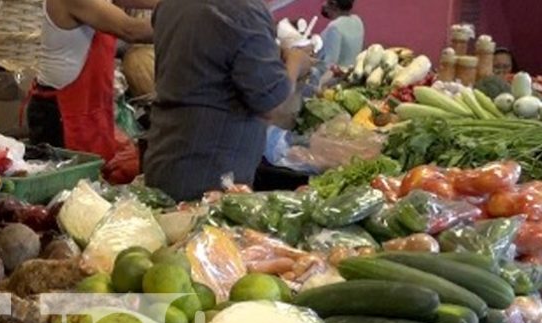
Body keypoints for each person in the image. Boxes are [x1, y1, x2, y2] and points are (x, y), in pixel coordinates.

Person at [142, 0, 315, 202]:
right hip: (212, 175)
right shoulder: (244, 11)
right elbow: (271, 103)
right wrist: (296, 62)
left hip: (165, 157)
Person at [27, 0, 157, 162]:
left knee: (93, 180)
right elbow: (130, 30)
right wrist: (183, 22)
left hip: (89, 108)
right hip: (60, 114)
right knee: (69, 184)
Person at [319, 0, 364, 68]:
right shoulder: (357, 20)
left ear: (333, 4)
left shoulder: (335, 27)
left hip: (334, 76)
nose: (323, 4)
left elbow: (329, 65)